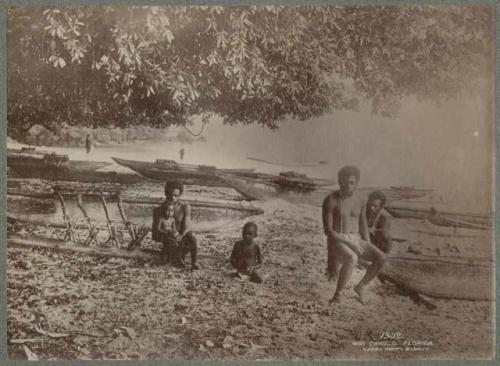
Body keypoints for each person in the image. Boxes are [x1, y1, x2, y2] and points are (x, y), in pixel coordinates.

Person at [322, 166, 386, 305]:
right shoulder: (331, 200)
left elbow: (362, 225)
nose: (349, 186)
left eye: (352, 183)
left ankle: (360, 286)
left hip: (355, 237)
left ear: (357, 183)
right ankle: (337, 295)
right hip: (337, 239)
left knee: (381, 257)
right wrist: (350, 244)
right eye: (345, 182)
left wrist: (368, 244)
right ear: (340, 182)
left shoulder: (360, 200)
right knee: (352, 257)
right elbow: (328, 231)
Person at [152, 181, 200, 270]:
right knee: (172, 240)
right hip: (168, 237)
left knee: (192, 236)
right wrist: (168, 234)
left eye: (176, 195)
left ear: (180, 195)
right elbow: (156, 231)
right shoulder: (160, 209)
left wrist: (181, 236)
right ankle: (178, 258)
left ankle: (194, 262)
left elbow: (186, 225)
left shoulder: (185, 207)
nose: (173, 197)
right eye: (170, 194)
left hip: (181, 236)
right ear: (166, 193)